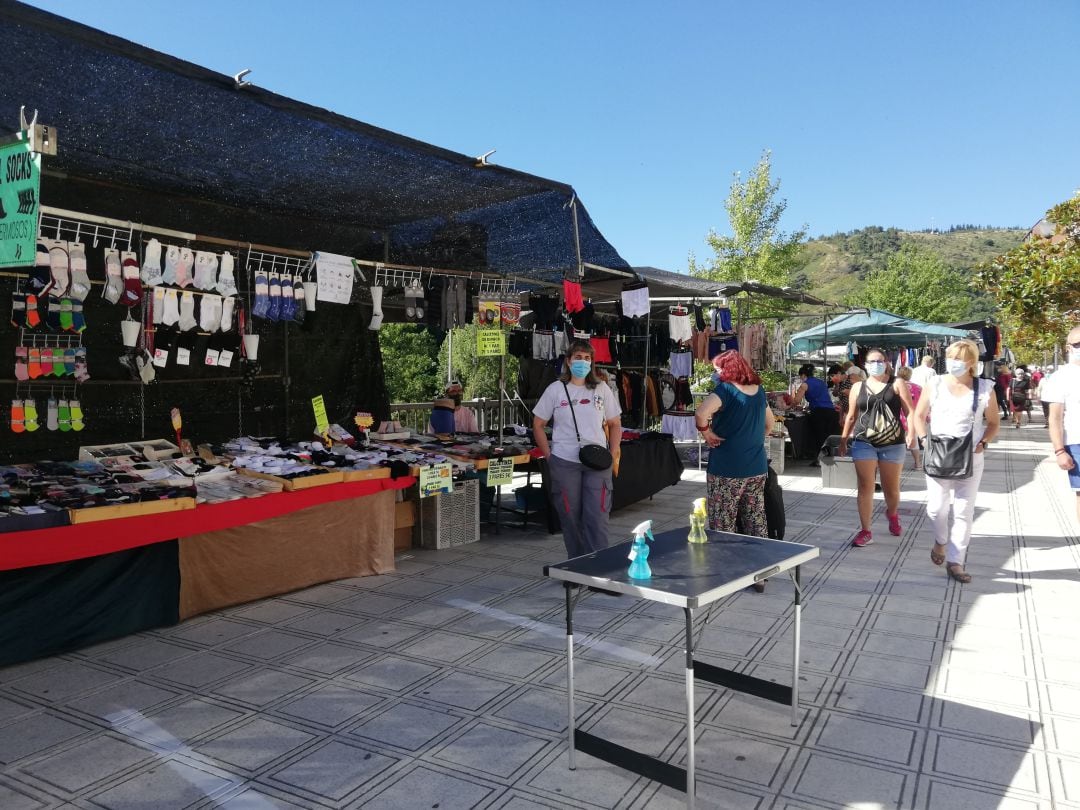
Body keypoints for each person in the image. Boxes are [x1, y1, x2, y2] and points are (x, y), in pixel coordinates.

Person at [912, 339, 999, 582]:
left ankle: (956, 561)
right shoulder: (935, 383)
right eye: (950, 357)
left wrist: (984, 442)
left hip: (971, 457)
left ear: (971, 362)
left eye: (959, 358)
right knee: (936, 508)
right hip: (938, 452)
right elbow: (919, 415)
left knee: (963, 511)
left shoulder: (984, 388)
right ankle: (941, 541)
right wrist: (923, 439)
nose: (953, 362)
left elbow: (993, 422)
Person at [533, 340, 622, 557]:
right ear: (568, 361)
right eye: (578, 357)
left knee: (597, 516)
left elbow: (615, 424)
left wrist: (612, 453)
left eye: (587, 358)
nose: (582, 362)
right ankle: (576, 565)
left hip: (597, 462)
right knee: (570, 515)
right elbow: (538, 424)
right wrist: (549, 455)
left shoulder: (602, 388)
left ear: (592, 363)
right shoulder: (555, 389)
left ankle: (598, 568)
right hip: (565, 461)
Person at [695, 351, 775, 588]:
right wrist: (753, 440)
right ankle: (760, 571)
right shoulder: (759, 392)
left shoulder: (725, 391)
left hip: (727, 468)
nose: (716, 373)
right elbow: (770, 423)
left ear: (726, 369)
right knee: (756, 518)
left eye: (718, 369)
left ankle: (727, 571)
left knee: (723, 520)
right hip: (757, 466)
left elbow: (701, 413)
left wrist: (706, 432)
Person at [838, 348, 915, 547]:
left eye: (879, 360)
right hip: (865, 442)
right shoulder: (858, 387)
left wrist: (912, 434)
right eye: (871, 361)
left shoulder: (896, 383)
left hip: (892, 442)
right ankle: (866, 530)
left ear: (887, 361)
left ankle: (892, 513)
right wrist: (843, 439)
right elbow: (852, 415)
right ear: (865, 363)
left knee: (891, 489)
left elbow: (910, 412)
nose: (876, 364)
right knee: (865, 486)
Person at [1043, 325, 1080, 524]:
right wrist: (1059, 450)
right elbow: (1055, 418)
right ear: (1068, 347)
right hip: (1076, 442)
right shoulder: (1060, 377)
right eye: (1078, 344)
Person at [791, 363, 838, 466]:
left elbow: (796, 400)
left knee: (818, 436)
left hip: (818, 413)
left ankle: (819, 460)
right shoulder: (821, 383)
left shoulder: (804, 384)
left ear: (803, 375)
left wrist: (788, 406)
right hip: (830, 411)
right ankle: (829, 457)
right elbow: (822, 398)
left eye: (800, 376)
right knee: (828, 435)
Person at [896, 366, 922, 470]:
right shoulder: (918, 387)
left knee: (898, 442)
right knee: (913, 440)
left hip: (898, 416)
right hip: (914, 416)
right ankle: (918, 463)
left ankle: (897, 465)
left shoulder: (895, 386)